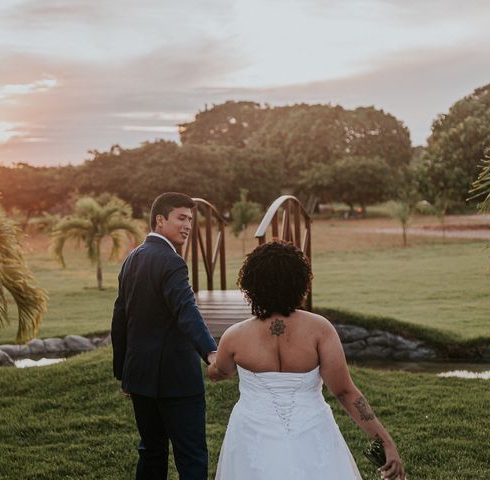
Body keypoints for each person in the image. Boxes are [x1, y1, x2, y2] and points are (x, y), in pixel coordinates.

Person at [208, 241, 405, 480]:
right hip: (312, 433)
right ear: (300, 282)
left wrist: (213, 364)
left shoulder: (235, 336)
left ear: (251, 284)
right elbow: (345, 392)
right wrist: (386, 442)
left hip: (251, 437)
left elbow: (222, 371)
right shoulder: (320, 330)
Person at [112, 192, 220, 480]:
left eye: (190, 220)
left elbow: (120, 317)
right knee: (192, 455)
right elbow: (186, 310)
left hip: (140, 376)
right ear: (161, 220)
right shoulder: (172, 262)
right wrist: (211, 352)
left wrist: (123, 371)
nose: (188, 225)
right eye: (181, 218)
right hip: (177, 379)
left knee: (151, 451)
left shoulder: (131, 259)